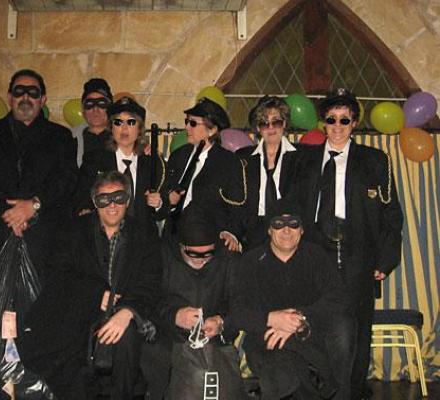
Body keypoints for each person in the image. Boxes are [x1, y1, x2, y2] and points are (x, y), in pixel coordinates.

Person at [292, 88, 403, 399]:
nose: (337, 126)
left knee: (356, 323)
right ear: (323, 123)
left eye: (344, 119)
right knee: (313, 318)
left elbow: (391, 214)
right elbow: (291, 205)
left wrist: (385, 259)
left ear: (354, 123)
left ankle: (352, 389)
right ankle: (319, 386)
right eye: (331, 119)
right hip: (315, 249)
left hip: (358, 251)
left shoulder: (375, 160)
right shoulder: (304, 160)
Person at [19, 171, 161, 400]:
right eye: (104, 199)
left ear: (128, 200)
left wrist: (127, 312)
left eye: (118, 198)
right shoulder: (73, 231)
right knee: (65, 350)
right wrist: (96, 295)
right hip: (79, 311)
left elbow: (150, 281)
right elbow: (56, 275)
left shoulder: (144, 234)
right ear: (95, 202)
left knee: (125, 339)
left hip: (126, 313)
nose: (112, 205)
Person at [229, 206, 355, 400]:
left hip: (311, 332)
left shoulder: (317, 255)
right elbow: (237, 312)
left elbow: (339, 298)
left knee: (344, 325)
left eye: (293, 224)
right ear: (269, 230)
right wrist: (272, 319)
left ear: (302, 230)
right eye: (279, 224)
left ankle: (338, 392)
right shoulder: (250, 261)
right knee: (287, 375)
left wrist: (299, 317)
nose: (286, 230)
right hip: (269, 338)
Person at [0, 69, 77, 276]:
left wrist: (34, 205)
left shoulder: (61, 136)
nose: (25, 97)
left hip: (46, 244)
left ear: (42, 99)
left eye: (33, 92)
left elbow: (66, 180)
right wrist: (11, 215)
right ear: (10, 97)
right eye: (19, 91)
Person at [141, 207, 238, 400]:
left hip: (212, 337)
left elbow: (240, 303)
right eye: (193, 254)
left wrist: (221, 322)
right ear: (181, 246)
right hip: (169, 334)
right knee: (155, 354)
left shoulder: (228, 259)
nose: (201, 260)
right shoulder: (162, 256)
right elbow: (148, 299)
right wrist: (175, 315)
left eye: (207, 254)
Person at [159, 97, 245, 250]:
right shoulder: (178, 156)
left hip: (210, 239)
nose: (187, 127)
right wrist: (167, 200)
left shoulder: (229, 162)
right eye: (187, 121)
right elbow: (164, 193)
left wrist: (230, 232)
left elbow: (237, 206)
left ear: (212, 130)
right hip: (174, 239)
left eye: (193, 123)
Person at [74, 96, 165, 230]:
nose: (124, 128)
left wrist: (158, 204)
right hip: (105, 234)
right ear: (111, 128)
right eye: (118, 122)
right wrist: (86, 210)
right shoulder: (94, 160)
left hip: (143, 237)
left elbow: (165, 209)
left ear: (139, 128)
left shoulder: (152, 162)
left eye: (131, 122)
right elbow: (81, 197)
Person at [236, 96, 301, 250]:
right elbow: (237, 199)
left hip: (286, 228)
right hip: (252, 230)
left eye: (276, 122)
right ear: (258, 128)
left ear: (284, 124)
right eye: (264, 123)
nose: (271, 128)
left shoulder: (301, 156)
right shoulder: (242, 157)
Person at [72, 78, 114, 166]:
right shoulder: (69, 139)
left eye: (101, 104)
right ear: (83, 110)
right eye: (90, 104)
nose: (95, 110)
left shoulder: (124, 136)